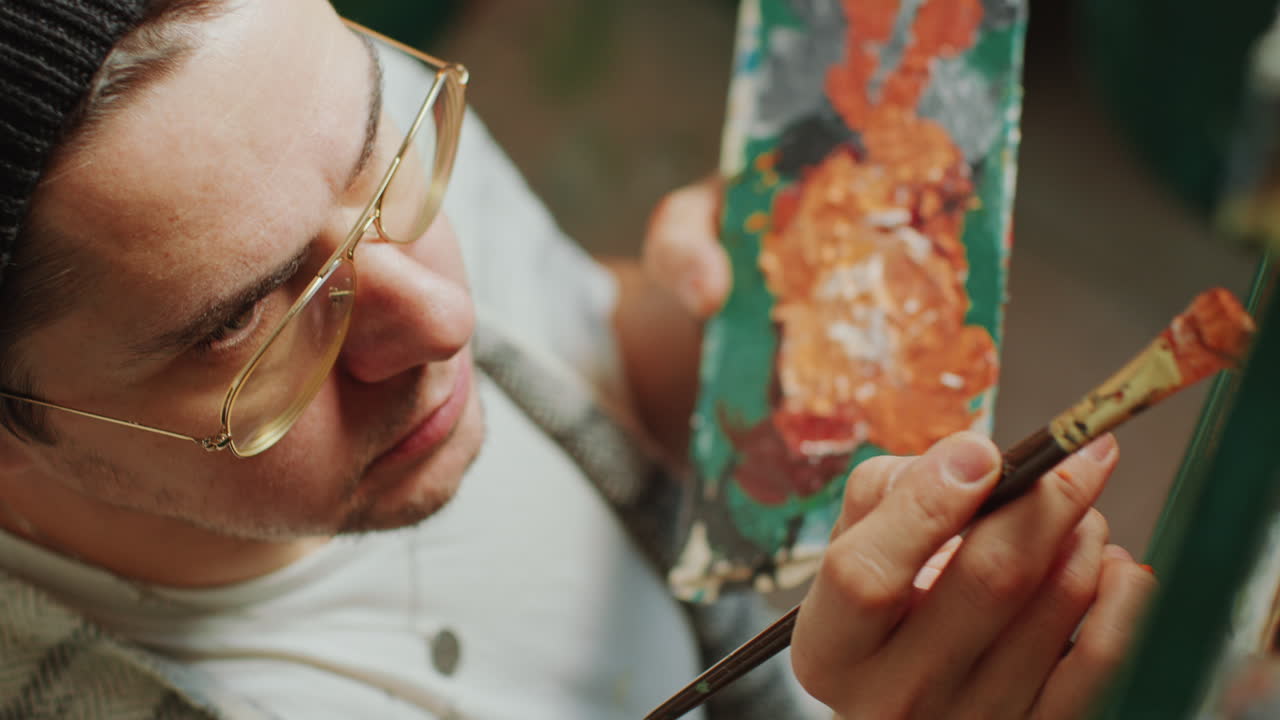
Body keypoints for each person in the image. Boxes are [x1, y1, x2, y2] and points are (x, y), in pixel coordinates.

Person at [0, 1, 1157, 718]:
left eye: (379, 150)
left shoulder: (283, 133)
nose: (448, 320)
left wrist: (681, 339)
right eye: (242, 322)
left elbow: (572, 340)